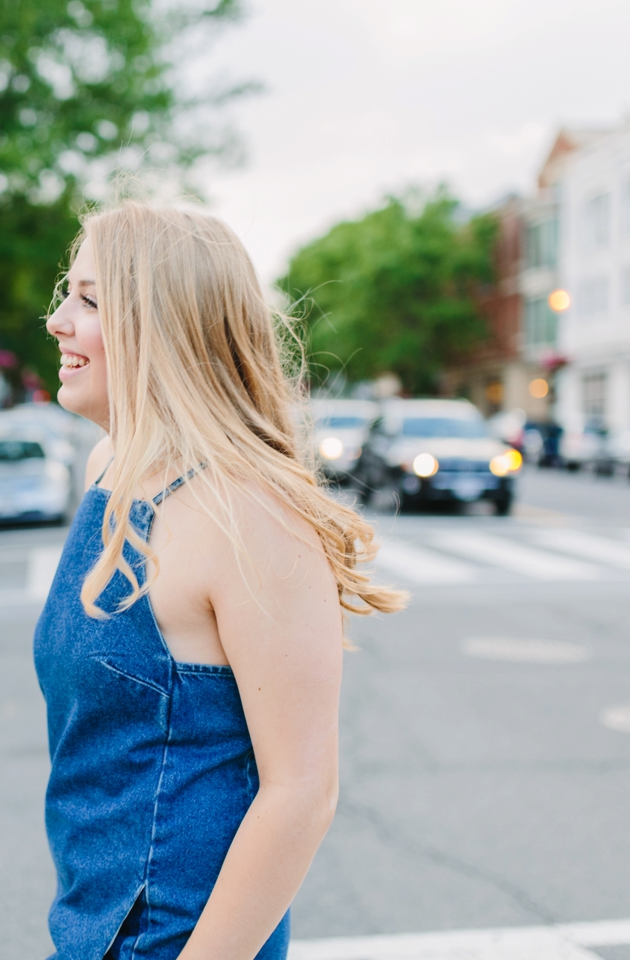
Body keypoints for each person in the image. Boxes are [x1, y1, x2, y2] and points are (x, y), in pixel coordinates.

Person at [36, 204, 406, 960]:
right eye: (67, 293)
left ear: (164, 327)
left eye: (90, 300)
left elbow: (301, 794)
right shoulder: (109, 469)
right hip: (89, 929)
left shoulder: (245, 515)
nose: (57, 321)